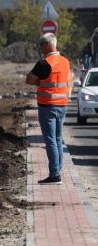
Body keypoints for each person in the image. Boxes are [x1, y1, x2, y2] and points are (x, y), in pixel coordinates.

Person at [27, 32, 73, 185]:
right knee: (58, 140)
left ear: (47, 44)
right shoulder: (66, 62)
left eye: (41, 44)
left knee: (51, 141)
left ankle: (54, 174)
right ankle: (57, 170)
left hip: (48, 107)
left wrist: (38, 81)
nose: (40, 48)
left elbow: (29, 79)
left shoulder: (44, 63)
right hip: (62, 105)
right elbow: (69, 83)